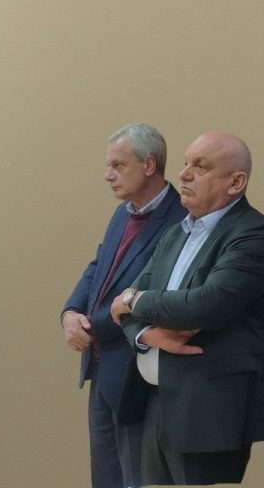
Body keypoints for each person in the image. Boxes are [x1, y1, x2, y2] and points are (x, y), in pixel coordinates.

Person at [110, 131, 264, 485]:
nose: (183, 174)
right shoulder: (175, 234)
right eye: (185, 163)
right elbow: (127, 309)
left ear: (236, 182)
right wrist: (146, 335)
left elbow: (204, 305)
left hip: (207, 410)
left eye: (201, 166)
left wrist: (134, 301)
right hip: (155, 400)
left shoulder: (252, 234)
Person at [62, 123, 186, 488]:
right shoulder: (124, 212)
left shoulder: (180, 220)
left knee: (138, 479)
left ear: (148, 165)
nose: (108, 175)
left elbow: (146, 296)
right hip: (102, 369)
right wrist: (70, 313)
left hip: (138, 377)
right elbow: (97, 265)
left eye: (118, 166)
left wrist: (91, 328)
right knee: (106, 479)